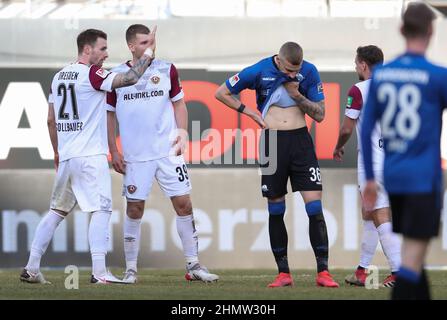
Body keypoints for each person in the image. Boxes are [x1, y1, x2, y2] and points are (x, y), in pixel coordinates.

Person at [20, 27, 157, 284]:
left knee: (56, 212)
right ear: (87, 49)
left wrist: (57, 152)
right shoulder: (92, 74)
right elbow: (129, 79)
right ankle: (99, 272)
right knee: (101, 209)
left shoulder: (59, 76)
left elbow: (50, 120)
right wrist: (148, 53)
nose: (106, 54)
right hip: (90, 156)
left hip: (69, 155)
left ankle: (32, 268)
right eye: (102, 48)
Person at [215, 42, 339, 288]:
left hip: (301, 142)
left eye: (297, 70)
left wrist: (296, 94)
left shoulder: (310, 71)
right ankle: (283, 273)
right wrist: (248, 111)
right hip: (272, 143)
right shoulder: (259, 70)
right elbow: (221, 93)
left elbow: (321, 114)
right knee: (275, 207)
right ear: (279, 61)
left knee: (314, 206)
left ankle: (323, 272)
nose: (294, 75)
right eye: (290, 70)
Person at [106, 24, 219, 283]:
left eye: (152, 41)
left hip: (168, 152)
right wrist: (114, 149)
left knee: (184, 204)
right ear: (131, 46)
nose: (151, 46)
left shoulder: (167, 69)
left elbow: (179, 103)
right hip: (136, 155)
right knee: (134, 209)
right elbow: (109, 116)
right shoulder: (116, 76)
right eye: (144, 42)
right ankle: (131, 269)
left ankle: (193, 266)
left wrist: (182, 132)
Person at [361, 2, 446, 299]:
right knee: (411, 261)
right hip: (425, 178)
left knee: (414, 255)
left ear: (400, 30)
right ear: (432, 31)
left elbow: (365, 127)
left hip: (394, 177)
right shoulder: (437, 76)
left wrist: (370, 180)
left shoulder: (382, 75)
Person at [333, 45, 401, 287]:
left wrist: (338, 146)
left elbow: (346, 128)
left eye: (356, 63)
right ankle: (362, 271)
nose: (355, 68)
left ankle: (398, 272)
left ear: (363, 64)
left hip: (374, 162)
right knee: (369, 213)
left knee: (380, 214)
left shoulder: (359, 89)